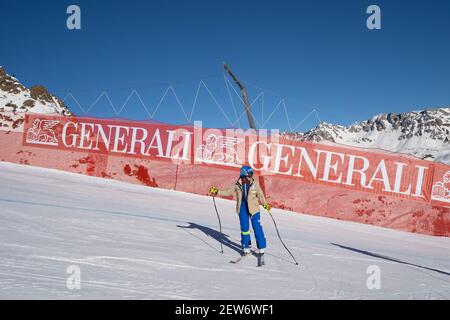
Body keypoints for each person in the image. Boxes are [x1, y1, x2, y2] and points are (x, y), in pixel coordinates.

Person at [209, 165, 271, 257]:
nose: (250, 177)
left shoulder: (255, 183)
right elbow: (228, 192)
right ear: (243, 175)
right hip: (242, 207)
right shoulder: (237, 184)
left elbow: (260, 195)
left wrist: (265, 203)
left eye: (251, 175)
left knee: (257, 227)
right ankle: (246, 246)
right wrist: (217, 191)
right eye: (249, 175)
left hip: (254, 208)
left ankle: (261, 246)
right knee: (244, 228)